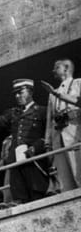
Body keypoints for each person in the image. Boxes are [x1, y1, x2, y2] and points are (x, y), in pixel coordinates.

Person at [41, 59, 81, 193]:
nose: (53, 71)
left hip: (75, 133)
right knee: (65, 181)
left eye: (56, 67)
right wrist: (48, 143)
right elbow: (49, 120)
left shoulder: (78, 83)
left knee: (79, 173)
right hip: (58, 137)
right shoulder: (53, 93)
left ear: (66, 68)